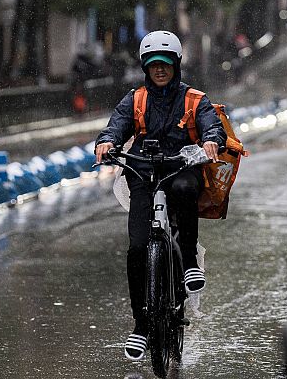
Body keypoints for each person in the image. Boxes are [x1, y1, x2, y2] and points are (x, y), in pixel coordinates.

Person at [94, 30, 227, 361]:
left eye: (166, 64)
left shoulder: (195, 99)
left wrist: (211, 140)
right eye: (153, 65)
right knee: (138, 248)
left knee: (184, 189)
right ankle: (140, 325)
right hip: (142, 173)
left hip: (180, 169)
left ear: (176, 65)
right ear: (145, 68)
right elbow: (116, 126)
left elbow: (213, 126)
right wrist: (106, 141)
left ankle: (189, 264)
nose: (160, 70)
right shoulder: (134, 99)